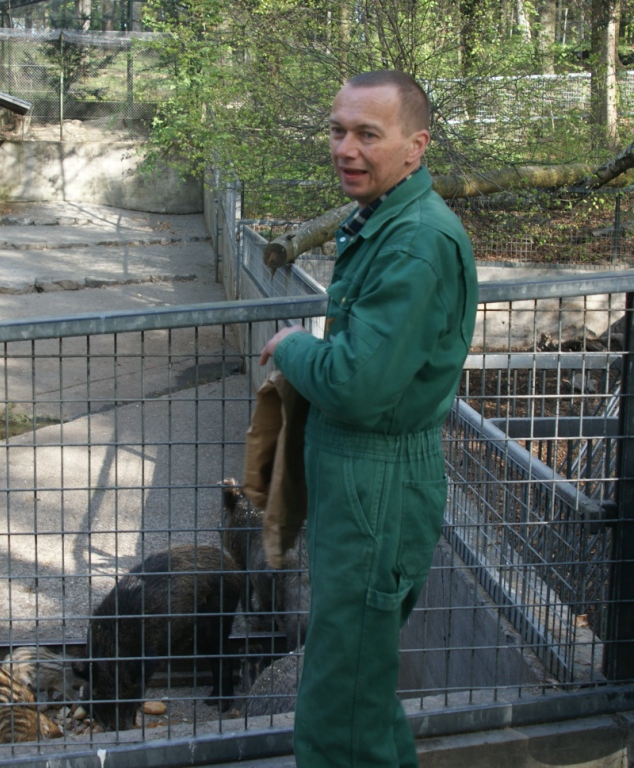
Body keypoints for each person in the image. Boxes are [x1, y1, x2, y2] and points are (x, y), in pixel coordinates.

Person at [259, 71, 478, 767]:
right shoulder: (383, 221)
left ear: (415, 146)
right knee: (359, 692)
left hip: (375, 481)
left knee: (339, 708)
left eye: (366, 134)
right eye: (337, 130)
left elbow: (356, 387)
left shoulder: (414, 242)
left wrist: (293, 347)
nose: (344, 148)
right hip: (360, 477)